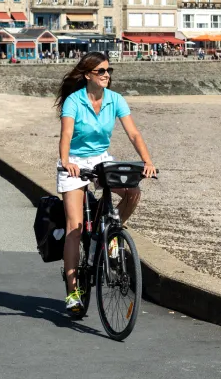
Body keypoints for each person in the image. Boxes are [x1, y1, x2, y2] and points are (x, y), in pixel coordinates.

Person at [54, 53, 155, 316]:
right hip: (74, 160)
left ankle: (109, 236)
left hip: (101, 159)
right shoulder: (74, 101)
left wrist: (147, 161)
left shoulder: (115, 99)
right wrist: (66, 161)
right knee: (74, 228)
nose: (106, 74)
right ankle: (73, 291)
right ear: (88, 75)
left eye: (109, 70)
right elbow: (66, 134)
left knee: (132, 192)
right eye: (101, 71)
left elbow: (133, 133)